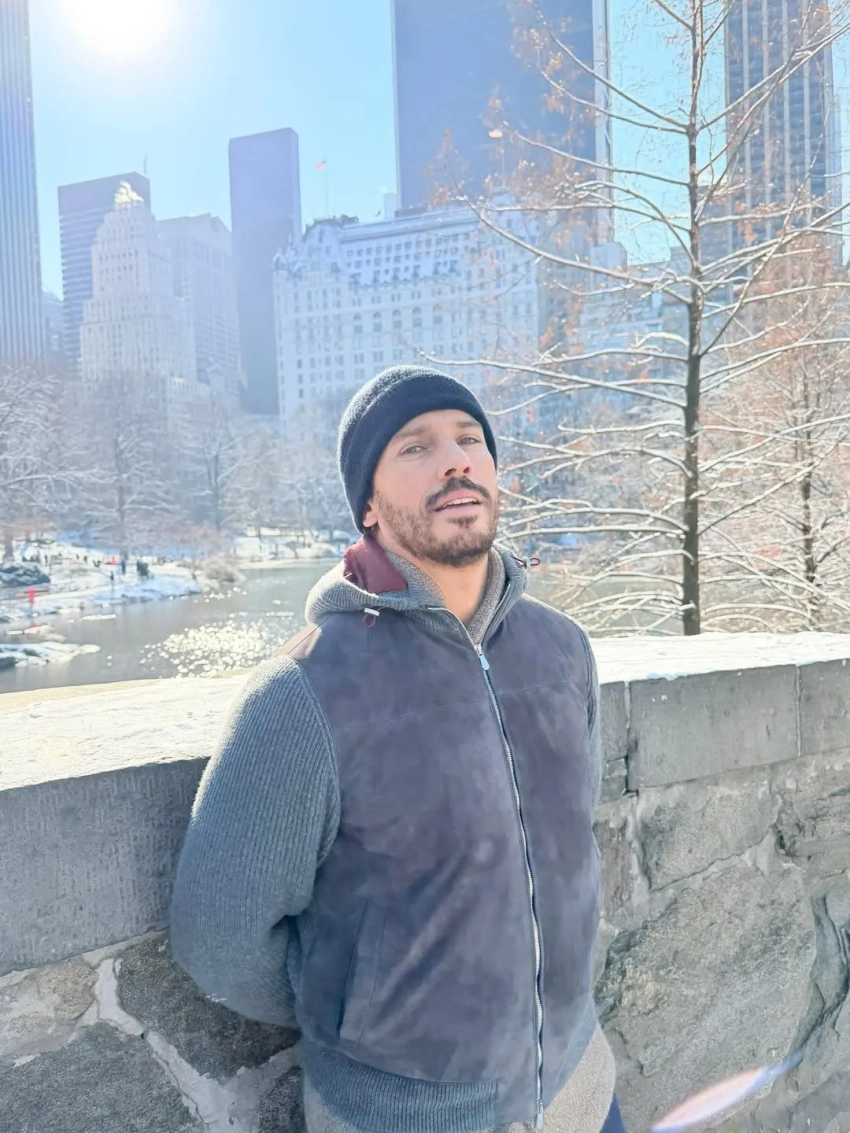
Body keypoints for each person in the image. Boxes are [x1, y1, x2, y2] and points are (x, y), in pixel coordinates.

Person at [169, 365, 621, 1133]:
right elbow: (217, 935)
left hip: (582, 1089)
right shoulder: (303, 690)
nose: (456, 460)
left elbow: (576, 830)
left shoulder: (562, 650)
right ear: (369, 506)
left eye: (470, 439)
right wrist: (360, 1009)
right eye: (416, 446)